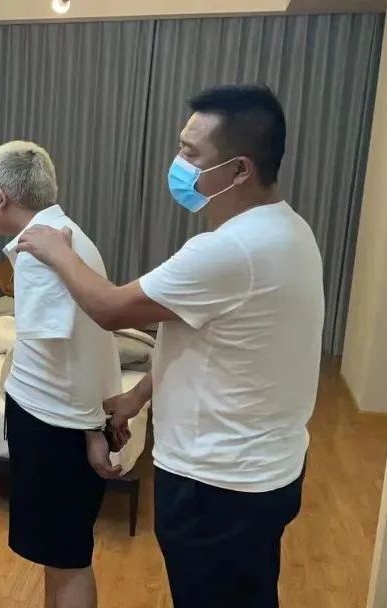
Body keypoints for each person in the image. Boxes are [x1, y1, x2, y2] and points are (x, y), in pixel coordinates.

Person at [16, 84, 323, 608]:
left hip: (218, 486)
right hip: (262, 474)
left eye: (191, 154)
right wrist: (137, 397)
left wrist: (55, 250)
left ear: (240, 170)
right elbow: (208, 342)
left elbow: (110, 307)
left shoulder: (232, 249)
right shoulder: (289, 229)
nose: (178, 164)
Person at [0, 141, 122, 608]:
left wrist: (93, 431)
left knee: (67, 561)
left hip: (52, 430)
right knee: (61, 557)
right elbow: (92, 343)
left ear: (0, 196)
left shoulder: (40, 251)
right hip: (59, 425)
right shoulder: (68, 235)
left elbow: (55, 363)